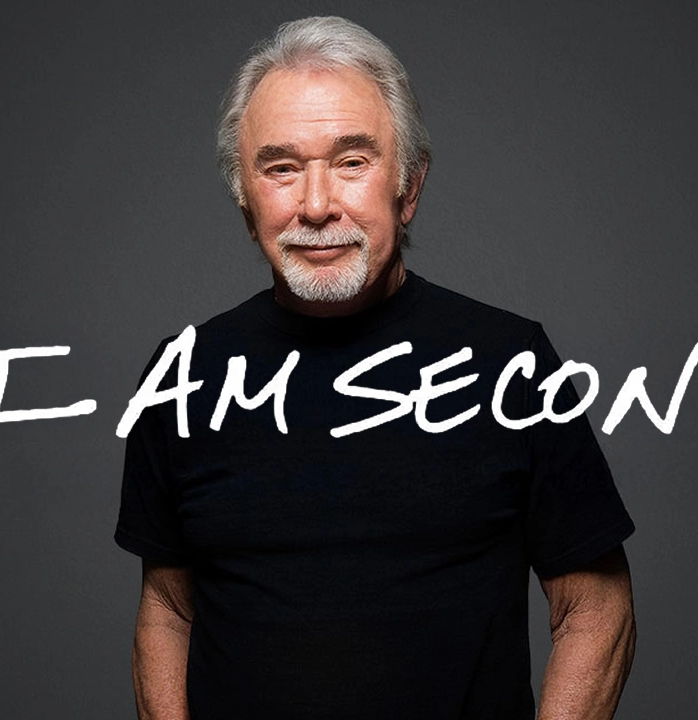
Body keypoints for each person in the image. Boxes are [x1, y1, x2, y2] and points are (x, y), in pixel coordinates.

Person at [115, 16, 636, 720]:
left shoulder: (510, 363)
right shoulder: (184, 375)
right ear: (246, 203)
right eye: (281, 168)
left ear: (409, 187)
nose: (317, 205)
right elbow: (168, 609)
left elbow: (595, 610)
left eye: (352, 162)